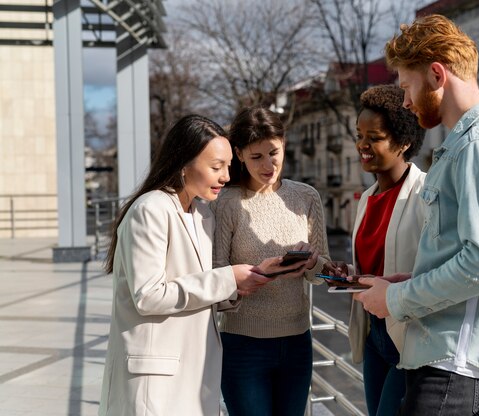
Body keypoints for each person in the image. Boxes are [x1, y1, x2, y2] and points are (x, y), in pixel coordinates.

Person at [354, 14, 479, 416]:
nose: (403, 101)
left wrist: (398, 298)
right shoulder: (468, 145)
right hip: (453, 360)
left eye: (406, 86)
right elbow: (466, 253)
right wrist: (412, 279)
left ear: (436, 75)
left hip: (459, 365)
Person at [98, 115, 303, 416]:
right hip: (154, 379)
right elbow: (150, 295)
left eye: (228, 166)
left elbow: (198, 290)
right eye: (216, 167)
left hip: (192, 376)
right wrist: (227, 279)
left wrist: (246, 280)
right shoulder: (150, 209)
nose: (225, 176)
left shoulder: (202, 215)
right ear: (183, 163)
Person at [212, 106, 330, 416]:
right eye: (256, 157)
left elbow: (322, 276)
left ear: (284, 144)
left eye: (273, 153)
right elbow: (215, 278)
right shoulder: (226, 202)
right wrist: (254, 276)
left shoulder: (307, 197)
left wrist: (313, 263)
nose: (268, 165)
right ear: (238, 154)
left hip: (297, 343)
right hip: (242, 346)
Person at [322, 84, 426, 416]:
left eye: (374, 137)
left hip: (408, 337)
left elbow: (434, 269)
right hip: (373, 335)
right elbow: (375, 267)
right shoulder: (366, 198)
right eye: (360, 134)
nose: (362, 145)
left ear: (403, 142)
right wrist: (349, 276)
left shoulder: (425, 195)